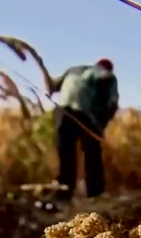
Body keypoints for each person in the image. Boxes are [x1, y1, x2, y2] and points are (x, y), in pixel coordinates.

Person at [49, 58, 119, 202]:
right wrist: (101, 125)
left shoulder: (74, 69)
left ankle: (63, 195)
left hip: (62, 111)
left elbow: (52, 85)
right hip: (85, 114)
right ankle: (95, 195)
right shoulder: (108, 76)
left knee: (66, 154)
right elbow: (112, 103)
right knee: (93, 155)